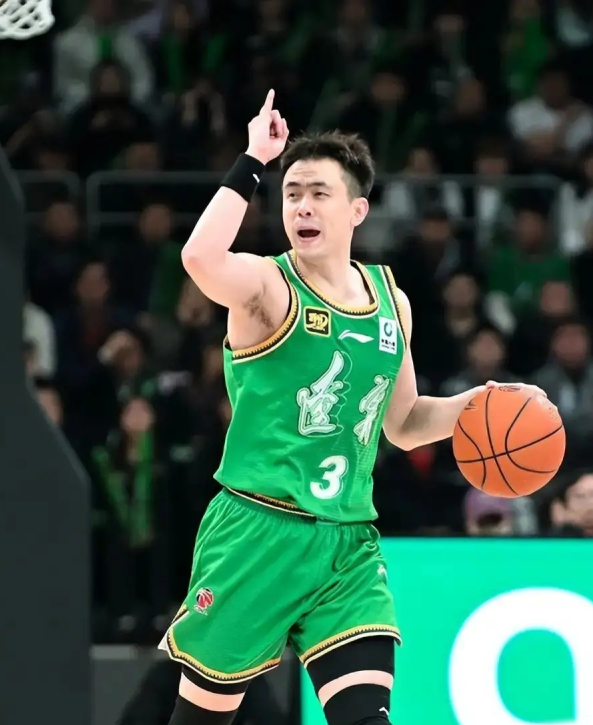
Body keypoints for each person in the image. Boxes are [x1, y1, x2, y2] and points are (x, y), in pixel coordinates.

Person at [159, 89, 546, 725]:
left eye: (319, 193)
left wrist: (483, 403)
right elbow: (199, 258)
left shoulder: (392, 300)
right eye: (292, 194)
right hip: (257, 530)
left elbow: (406, 423)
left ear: (357, 210)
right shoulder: (266, 286)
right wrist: (254, 160)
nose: (302, 206)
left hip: (347, 542)